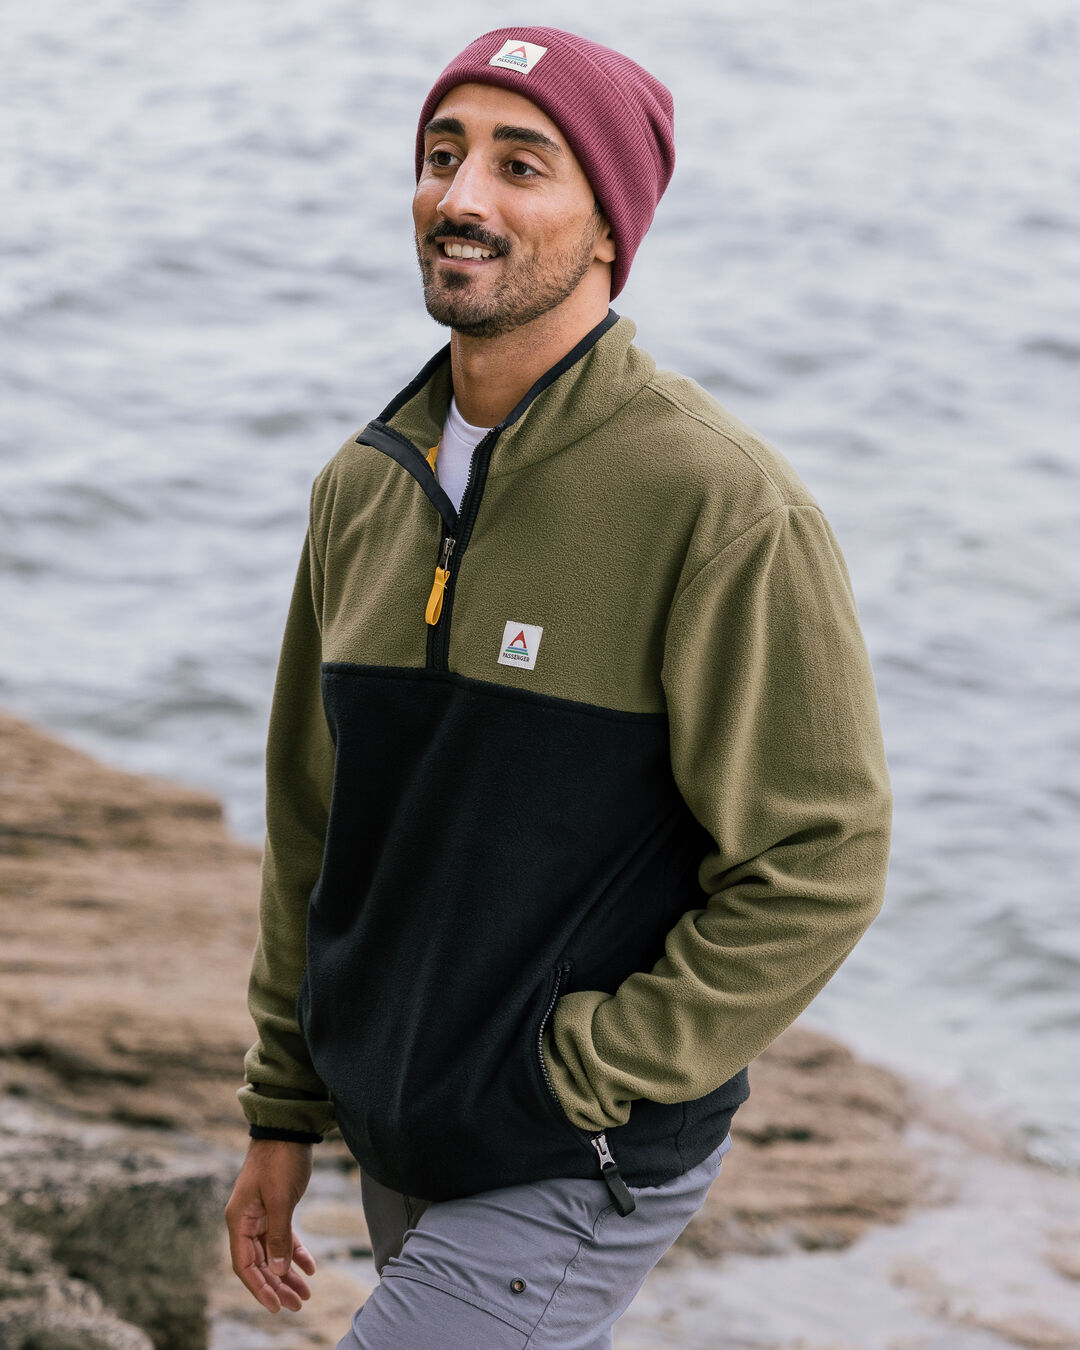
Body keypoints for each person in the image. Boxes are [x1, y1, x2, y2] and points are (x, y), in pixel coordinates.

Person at [224, 26, 892, 1350]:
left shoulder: (718, 504)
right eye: (442, 155)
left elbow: (823, 855)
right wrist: (282, 1107)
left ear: (607, 229)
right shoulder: (362, 490)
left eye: (520, 165)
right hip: (409, 1126)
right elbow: (314, 827)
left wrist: (595, 1065)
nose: (461, 195)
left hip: (575, 1148)